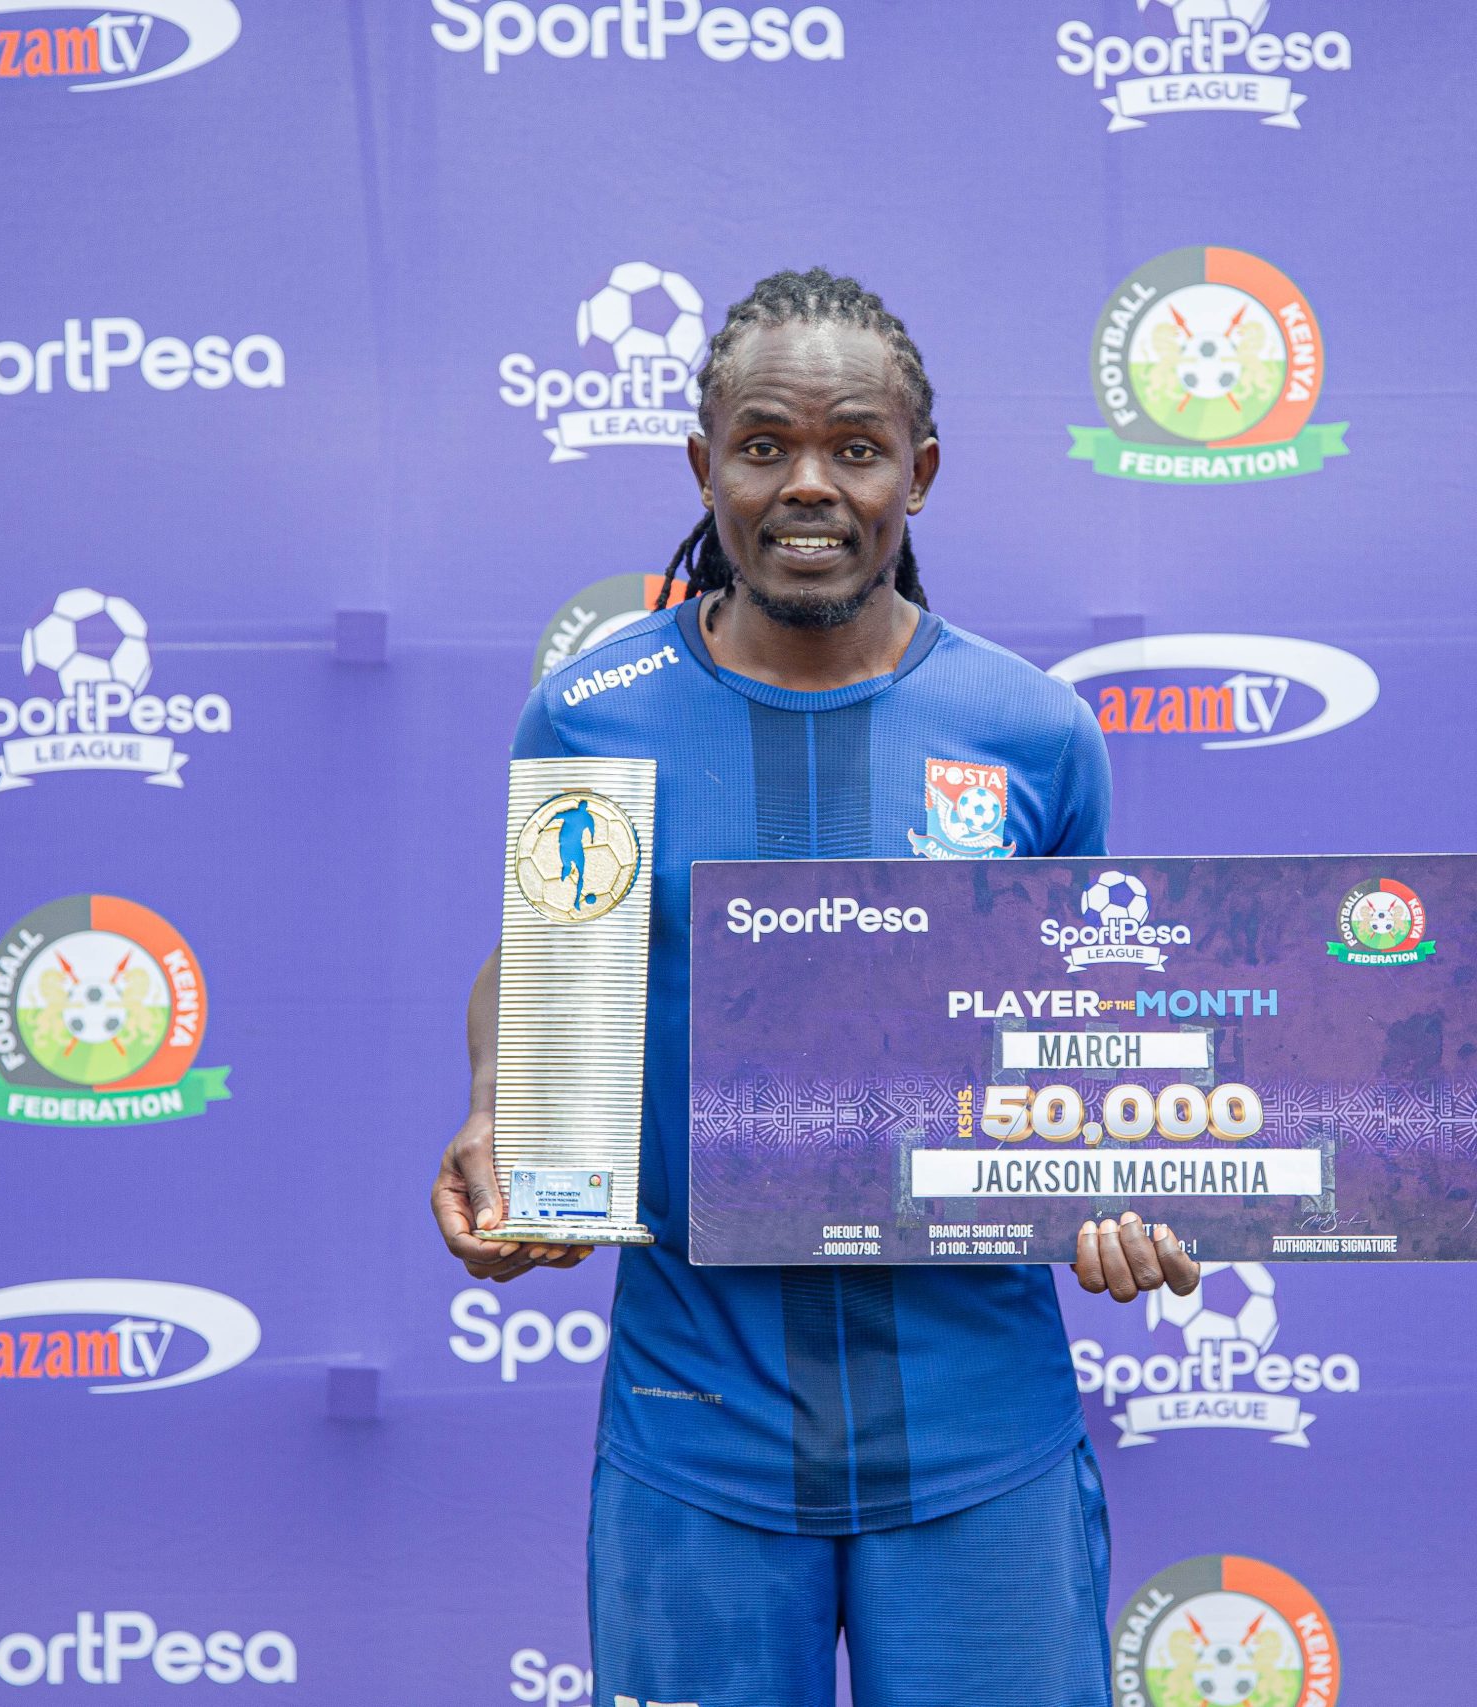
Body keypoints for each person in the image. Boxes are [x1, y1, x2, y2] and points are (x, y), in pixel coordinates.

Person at [432, 268, 1200, 1707]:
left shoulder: (1032, 732)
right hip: (695, 1428)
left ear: (919, 473)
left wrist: (1130, 1183)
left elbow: (1085, 1035)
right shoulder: (592, 716)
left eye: (855, 447)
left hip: (981, 1432)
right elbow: (543, 970)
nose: (808, 485)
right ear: (702, 466)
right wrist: (501, 1112)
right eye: (763, 444)